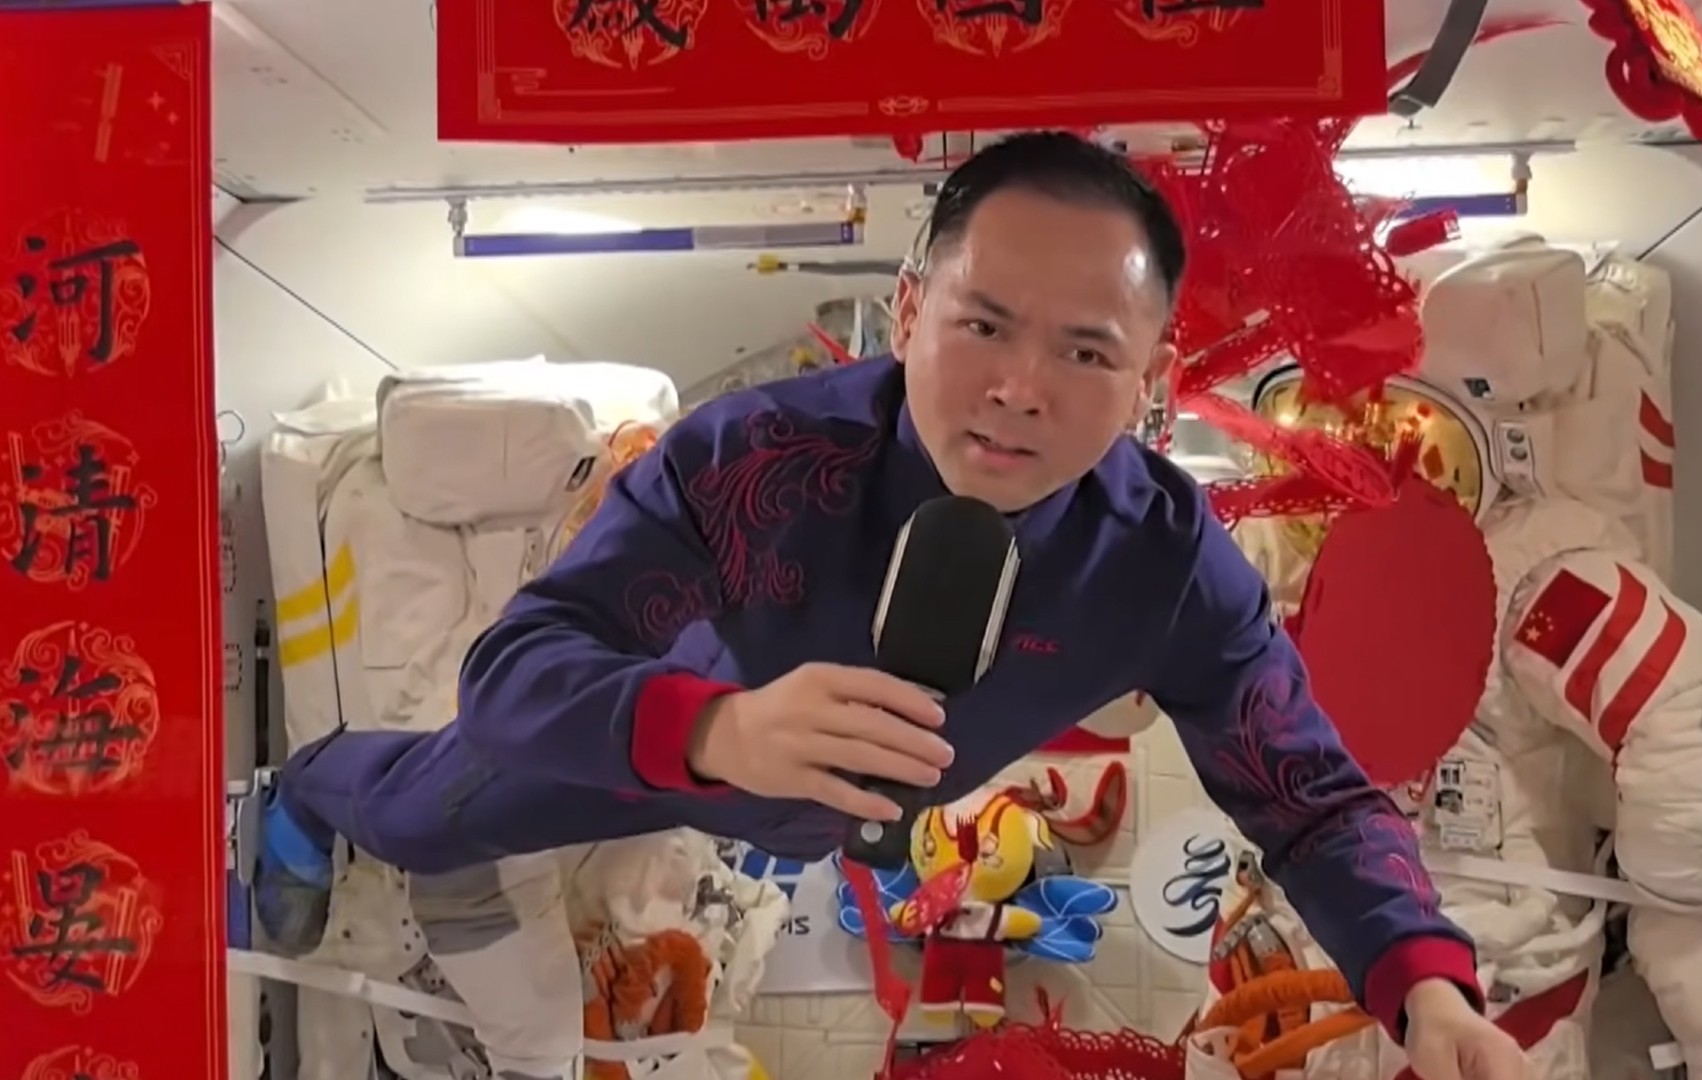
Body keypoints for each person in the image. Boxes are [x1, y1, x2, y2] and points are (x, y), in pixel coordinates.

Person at [255, 131, 1532, 1080]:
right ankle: (305, 792)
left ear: (1151, 378)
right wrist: (714, 732)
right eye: (984, 324)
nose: (1022, 389)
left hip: (841, 808)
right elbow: (521, 668)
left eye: (1088, 350)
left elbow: (1309, 792)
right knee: (434, 811)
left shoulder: (1160, 562)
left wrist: (1426, 983)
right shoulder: (757, 457)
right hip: (662, 734)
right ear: (911, 310)